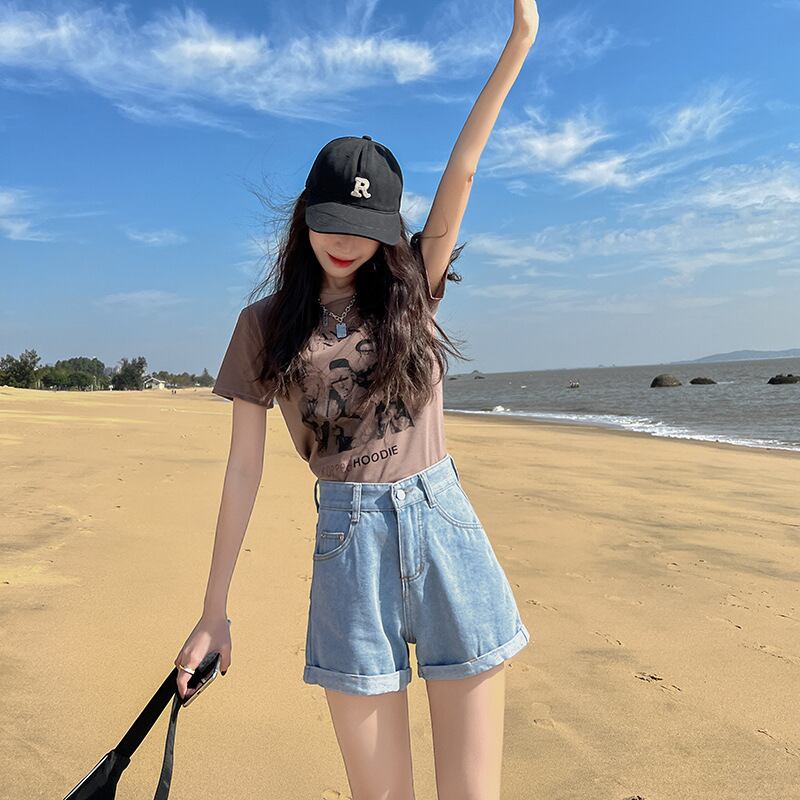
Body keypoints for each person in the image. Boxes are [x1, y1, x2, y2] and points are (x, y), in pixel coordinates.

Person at [174, 4, 539, 797]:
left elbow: (464, 168)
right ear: (306, 212)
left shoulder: (414, 288)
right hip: (347, 548)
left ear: (390, 228)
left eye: (365, 225)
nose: (344, 240)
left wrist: (520, 42)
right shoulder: (262, 326)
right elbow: (243, 472)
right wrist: (213, 611)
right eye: (332, 220)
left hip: (445, 529)